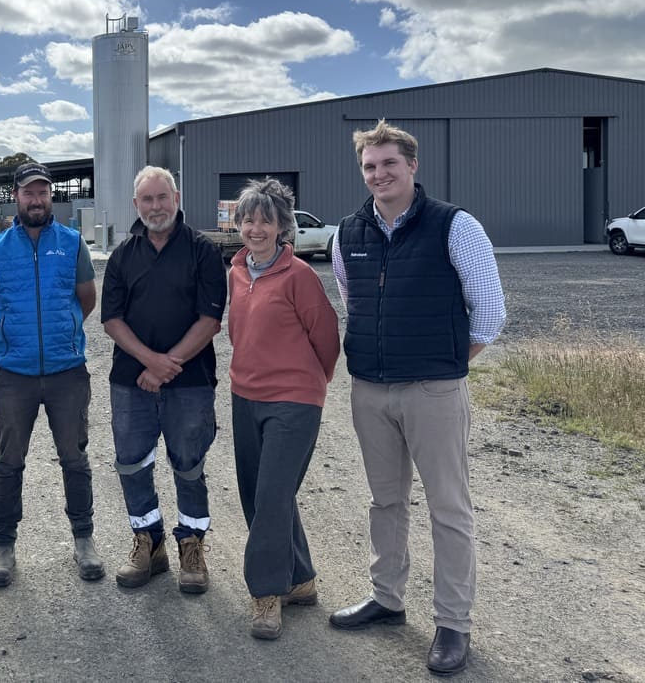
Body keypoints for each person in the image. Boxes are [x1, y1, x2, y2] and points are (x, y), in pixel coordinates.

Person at [329, 120, 506, 677]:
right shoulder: (347, 233)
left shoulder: (456, 226)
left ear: (412, 166)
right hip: (371, 390)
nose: (379, 174)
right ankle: (387, 597)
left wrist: (444, 366)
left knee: (448, 507)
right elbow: (351, 301)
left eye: (389, 164)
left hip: (434, 390)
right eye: (369, 166)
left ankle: (453, 622)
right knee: (385, 501)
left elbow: (490, 312)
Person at [0, 162, 103, 587]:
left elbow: (87, 300)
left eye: (43, 192)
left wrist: (60, 336)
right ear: (16, 196)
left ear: (51, 197)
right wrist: (19, 341)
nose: (36, 199)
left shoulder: (71, 244)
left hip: (68, 373)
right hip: (15, 375)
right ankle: (3, 546)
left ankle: (84, 540)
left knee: (75, 458)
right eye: (29, 192)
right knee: (10, 462)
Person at [101, 166, 226, 594]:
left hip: (190, 382)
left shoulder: (203, 251)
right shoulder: (122, 256)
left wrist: (167, 365)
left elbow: (210, 319)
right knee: (132, 463)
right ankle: (148, 544)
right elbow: (111, 320)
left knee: (189, 466)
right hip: (130, 381)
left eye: (162, 197)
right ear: (136, 205)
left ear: (176, 197)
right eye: (147, 200)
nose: (156, 207)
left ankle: (192, 546)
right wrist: (150, 362)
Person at [226, 178, 340, 640]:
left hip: (294, 401)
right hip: (244, 395)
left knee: (272, 494)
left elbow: (327, 338)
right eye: (248, 219)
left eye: (265, 220)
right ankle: (302, 578)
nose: (255, 228)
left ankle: (267, 595)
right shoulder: (235, 272)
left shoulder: (300, 276)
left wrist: (312, 383)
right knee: (258, 494)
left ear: (282, 227)